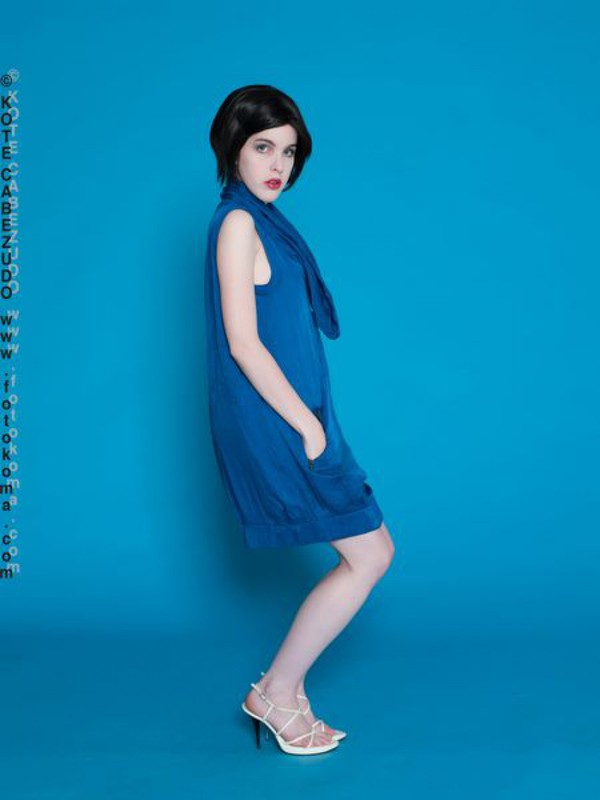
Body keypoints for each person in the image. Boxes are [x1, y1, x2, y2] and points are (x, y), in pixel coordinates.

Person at [205, 85, 395, 755]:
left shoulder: (266, 221)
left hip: (296, 413)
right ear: (233, 147)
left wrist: (315, 420)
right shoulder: (238, 223)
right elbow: (243, 342)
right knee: (370, 554)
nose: (277, 165)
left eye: (288, 152)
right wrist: (307, 428)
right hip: (276, 418)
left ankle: (279, 690)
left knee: (369, 554)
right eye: (263, 147)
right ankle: (277, 693)